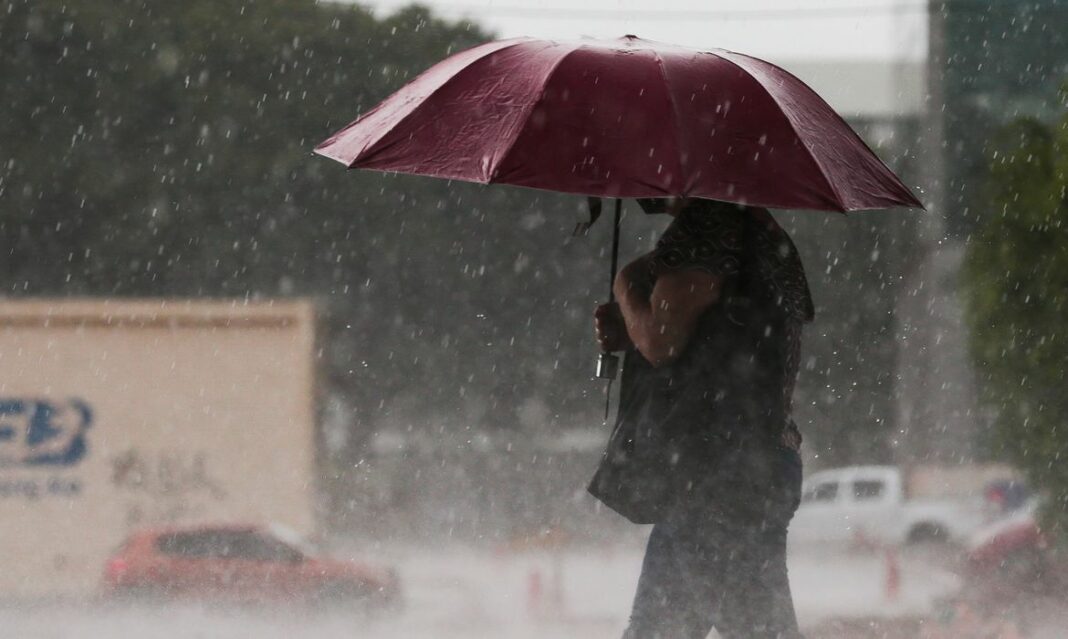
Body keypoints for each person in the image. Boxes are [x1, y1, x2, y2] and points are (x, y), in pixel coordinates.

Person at [591, 197, 814, 639]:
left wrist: (624, 288)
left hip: (713, 474)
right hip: (751, 465)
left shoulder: (708, 227)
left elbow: (660, 340)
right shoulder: (760, 231)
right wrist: (632, 323)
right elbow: (708, 337)